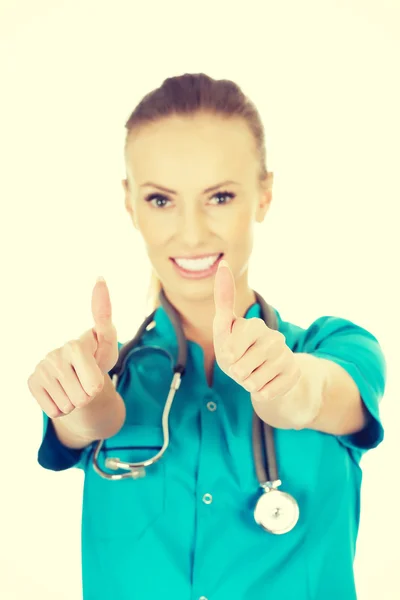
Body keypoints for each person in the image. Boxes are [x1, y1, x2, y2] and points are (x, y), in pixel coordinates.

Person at [28, 73, 386, 600]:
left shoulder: (336, 348)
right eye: (160, 200)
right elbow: (92, 420)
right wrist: (81, 398)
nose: (192, 232)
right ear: (130, 205)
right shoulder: (104, 371)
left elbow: (313, 396)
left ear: (264, 195)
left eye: (219, 196)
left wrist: (284, 386)